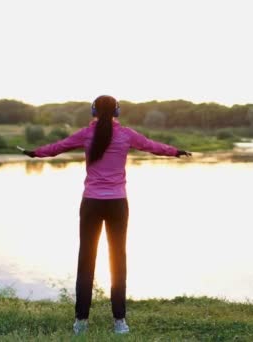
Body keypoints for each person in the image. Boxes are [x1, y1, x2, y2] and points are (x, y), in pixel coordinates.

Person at [23, 95, 191, 334]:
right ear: (117, 112)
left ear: (93, 111)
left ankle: (81, 322)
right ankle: (119, 322)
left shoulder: (85, 134)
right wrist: (175, 151)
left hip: (91, 202)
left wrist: (34, 153)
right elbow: (153, 146)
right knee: (118, 260)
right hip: (117, 204)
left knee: (86, 260)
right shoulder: (127, 135)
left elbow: (57, 147)